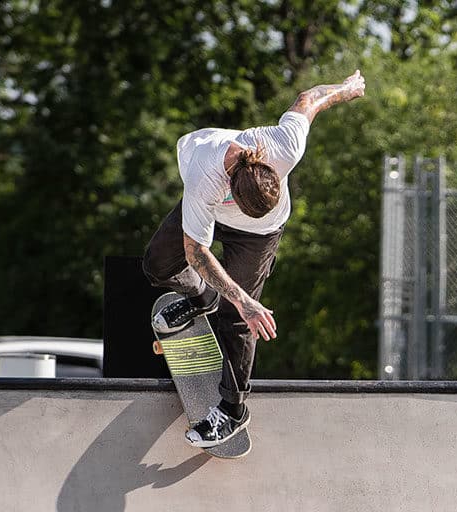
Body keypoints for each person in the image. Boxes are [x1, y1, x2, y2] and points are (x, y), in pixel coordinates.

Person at [143, 70, 365, 447]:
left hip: (261, 238)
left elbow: (308, 99)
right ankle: (202, 298)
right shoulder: (205, 180)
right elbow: (196, 252)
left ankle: (232, 410)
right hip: (209, 213)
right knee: (157, 265)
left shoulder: (283, 145)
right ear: (231, 188)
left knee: (238, 319)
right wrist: (239, 296)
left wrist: (346, 89)